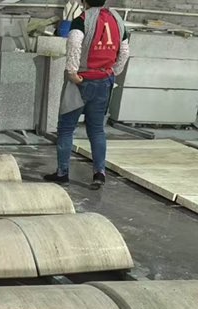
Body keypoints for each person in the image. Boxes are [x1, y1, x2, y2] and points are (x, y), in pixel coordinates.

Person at [44, 0, 130, 190]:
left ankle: (62, 173)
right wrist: (113, 71)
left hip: (81, 81)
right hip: (104, 81)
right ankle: (99, 173)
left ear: (84, 1)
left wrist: (72, 72)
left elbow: (74, 43)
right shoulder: (117, 19)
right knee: (97, 129)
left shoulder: (82, 19)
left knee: (66, 128)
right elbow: (124, 50)